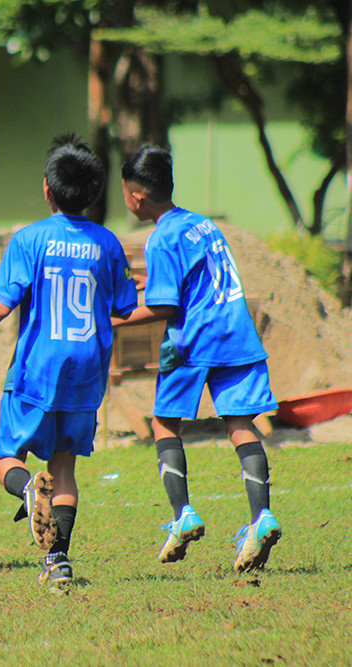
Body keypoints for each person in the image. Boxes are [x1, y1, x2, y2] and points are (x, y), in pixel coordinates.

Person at [0, 134, 137, 592]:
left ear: (47, 189)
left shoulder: (30, 239)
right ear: (93, 193)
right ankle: (58, 562)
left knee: (5, 458)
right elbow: (126, 306)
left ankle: (27, 491)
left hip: (38, 368)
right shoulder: (108, 243)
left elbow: (1, 305)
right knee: (65, 468)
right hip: (86, 371)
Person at [115, 145, 281, 573]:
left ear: (135, 197)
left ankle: (182, 515)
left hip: (194, 340)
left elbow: (167, 310)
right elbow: (194, 279)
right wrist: (148, 282)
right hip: (237, 333)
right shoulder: (202, 224)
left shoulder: (159, 238)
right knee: (240, 424)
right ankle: (261, 517)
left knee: (163, 423)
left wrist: (112, 321)